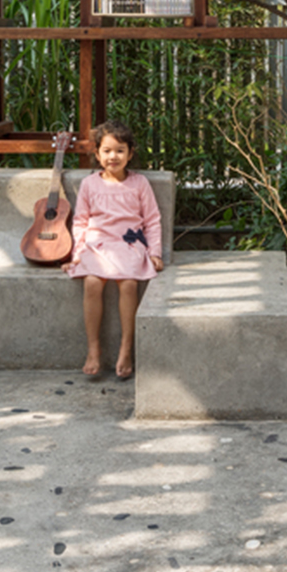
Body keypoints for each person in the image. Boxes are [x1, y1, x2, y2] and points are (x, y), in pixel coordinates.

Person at [69, 119, 163, 381]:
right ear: (97, 154)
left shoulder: (139, 184)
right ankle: (93, 348)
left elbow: (152, 220)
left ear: (130, 154)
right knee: (91, 282)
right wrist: (76, 254)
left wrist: (154, 252)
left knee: (129, 283)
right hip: (97, 244)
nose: (113, 156)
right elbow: (80, 221)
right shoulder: (89, 184)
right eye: (107, 151)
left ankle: (126, 348)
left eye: (120, 150)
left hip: (128, 244)